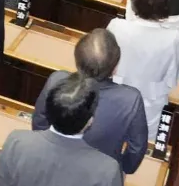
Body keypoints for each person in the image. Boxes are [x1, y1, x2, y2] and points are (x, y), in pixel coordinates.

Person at [28, 29, 149, 175]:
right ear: (115, 68)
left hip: (52, 161)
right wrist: (122, 167)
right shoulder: (131, 99)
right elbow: (137, 147)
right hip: (101, 172)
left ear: (77, 61)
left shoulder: (57, 80)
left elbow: (40, 122)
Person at [108, 0, 179, 146]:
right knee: (140, 148)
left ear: (134, 3)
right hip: (149, 104)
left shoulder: (116, 26)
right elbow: (176, 77)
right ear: (166, 7)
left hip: (113, 97)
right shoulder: (174, 38)